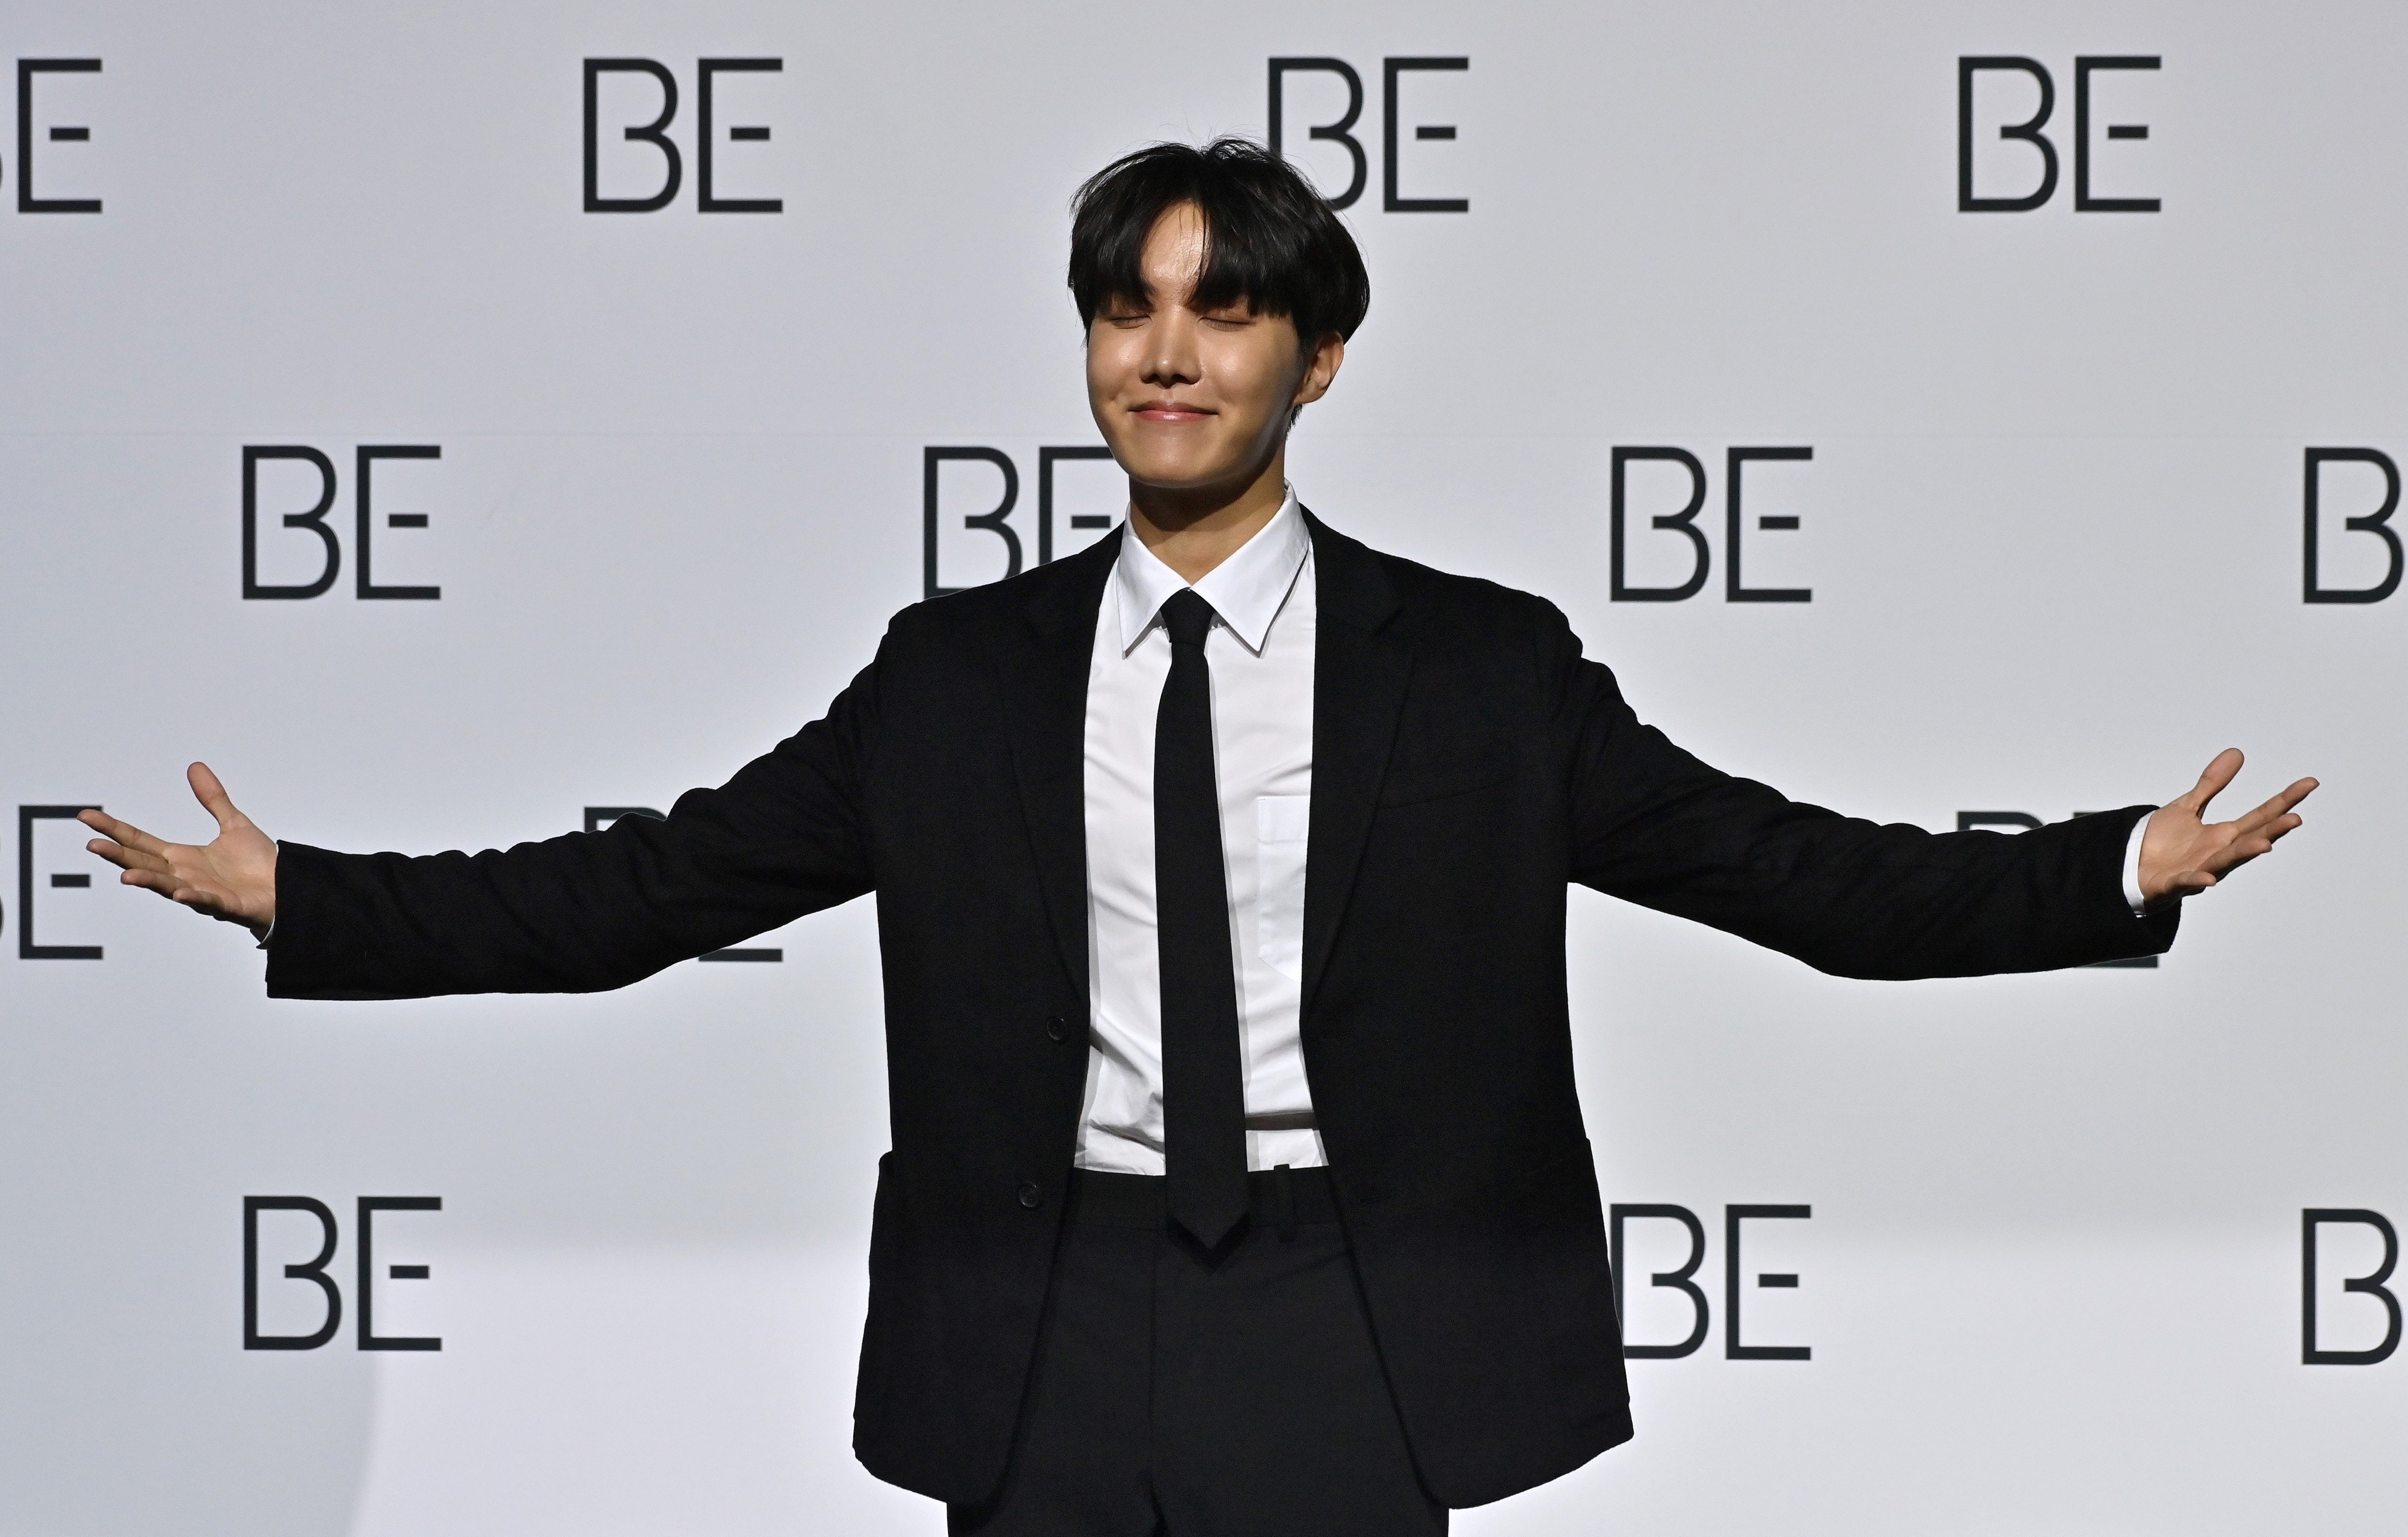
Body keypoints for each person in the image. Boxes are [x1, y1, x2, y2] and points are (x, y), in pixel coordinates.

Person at [81, 138, 2315, 1535]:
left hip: (1359, 1313)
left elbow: (1797, 878)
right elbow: (651, 887)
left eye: (1223, 308)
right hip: (1039, 1313)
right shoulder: (954, 676)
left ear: (1314, 359)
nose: (1167, 352)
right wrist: (310, 897)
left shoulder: (1482, 671)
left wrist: (2103, 867)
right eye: (1127, 306)